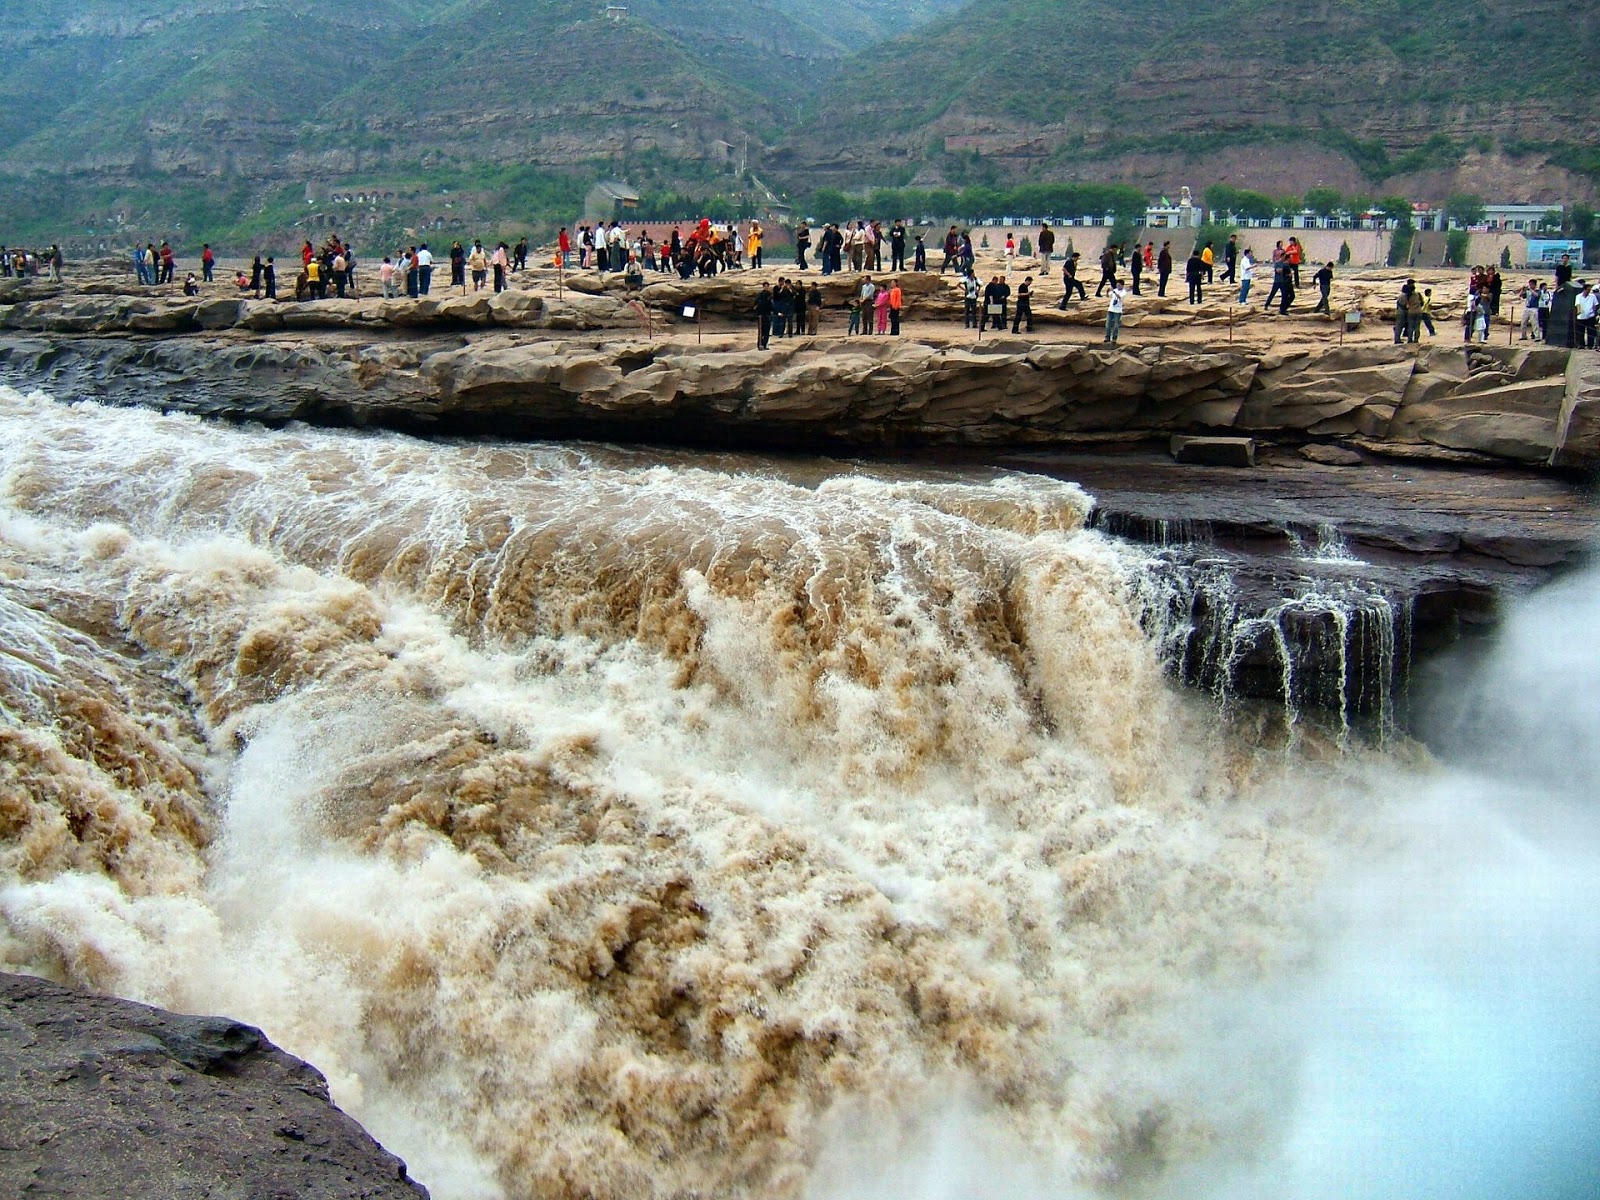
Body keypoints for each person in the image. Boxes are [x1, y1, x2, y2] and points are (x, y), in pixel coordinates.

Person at [1576, 281, 1598, 349]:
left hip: (1590, 316)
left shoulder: (1592, 296)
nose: (1589, 291)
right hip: (1581, 317)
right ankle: (1581, 345)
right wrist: (1579, 313)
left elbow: (1596, 305)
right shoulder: (1578, 296)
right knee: (1580, 332)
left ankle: (1590, 345)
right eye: (1588, 290)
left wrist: (1594, 313)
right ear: (1584, 289)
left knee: (1591, 332)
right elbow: (1577, 305)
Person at [1393, 280, 1415, 344]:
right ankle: (1397, 339)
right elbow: (1404, 305)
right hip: (1402, 312)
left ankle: (1398, 338)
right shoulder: (1404, 296)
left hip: (1400, 311)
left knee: (1400, 325)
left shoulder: (1401, 295)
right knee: (1399, 326)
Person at [1104, 278, 1125, 343]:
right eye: (1117, 285)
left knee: (1116, 325)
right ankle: (1107, 337)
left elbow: (1119, 297)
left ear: (1122, 285)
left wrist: (1114, 292)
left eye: (1119, 285)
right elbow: (1108, 296)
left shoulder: (1123, 292)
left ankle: (1114, 338)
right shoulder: (1115, 290)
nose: (1117, 286)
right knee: (1108, 324)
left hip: (1118, 311)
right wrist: (1107, 291)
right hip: (1111, 309)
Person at [755, 283, 773, 349]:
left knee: (766, 331)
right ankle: (760, 344)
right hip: (761, 316)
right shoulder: (760, 296)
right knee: (762, 331)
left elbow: (771, 306)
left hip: (767, 315)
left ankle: (764, 344)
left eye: (767, 286)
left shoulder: (769, 295)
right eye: (765, 286)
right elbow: (756, 305)